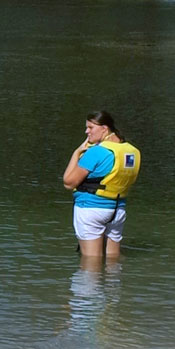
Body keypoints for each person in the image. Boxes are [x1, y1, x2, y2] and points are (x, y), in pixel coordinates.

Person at [62, 110, 140, 259]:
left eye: (90, 127)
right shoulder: (131, 151)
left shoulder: (97, 152)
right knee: (113, 260)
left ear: (104, 128)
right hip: (117, 210)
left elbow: (68, 182)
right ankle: (114, 282)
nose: (87, 131)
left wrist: (77, 152)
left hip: (91, 209)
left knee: (91, 262)